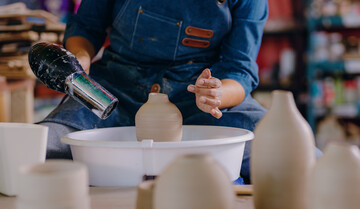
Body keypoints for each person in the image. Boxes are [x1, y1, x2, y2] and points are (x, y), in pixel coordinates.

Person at [39, 0, 269, 184]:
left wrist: (217, 94)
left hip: (195, 95)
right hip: (117, 87)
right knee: (45, 144)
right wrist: (80, 58)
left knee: (274, 148)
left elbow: (240, 68)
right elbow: (87, 26)